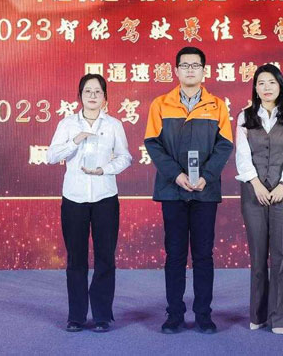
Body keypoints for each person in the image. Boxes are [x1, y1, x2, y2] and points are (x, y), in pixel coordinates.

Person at [144, 46, 233, 334]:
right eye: (185, 65)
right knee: (175, 255)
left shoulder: (217, 105)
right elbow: (153, 143)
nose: (190, 70)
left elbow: (225, 145)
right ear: (176, 70)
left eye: (196, 65)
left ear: (204, 71)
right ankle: (174, 315)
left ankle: (204, 315)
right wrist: (177, 175)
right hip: (172, 190)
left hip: (205, 191)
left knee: (204, 255)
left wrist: (206, 176)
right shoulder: (161, 104)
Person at [46, 74, 132, 333]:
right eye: (87, 91)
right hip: (74, 198)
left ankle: (103, 315)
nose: (93, 96)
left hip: (105, 197)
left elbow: (125, 157)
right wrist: (75, 140)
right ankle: (76, 316)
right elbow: (51, 156)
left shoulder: (114, 125)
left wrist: (105, 169)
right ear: (80, 96)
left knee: (105, 257)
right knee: (76, 259)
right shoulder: (67, 124)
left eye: (98, 92)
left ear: (105, 97)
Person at [234, 64, 283, 335]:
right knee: (257, 256)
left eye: (272, 82)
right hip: (254, 194)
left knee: (280, 255)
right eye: (261, 83)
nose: (266, 87)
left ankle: (279, 319)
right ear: (255, 87)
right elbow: (242, 155)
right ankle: (258, 314)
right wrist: (255, 184)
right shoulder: (245, 116)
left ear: (280, 86)